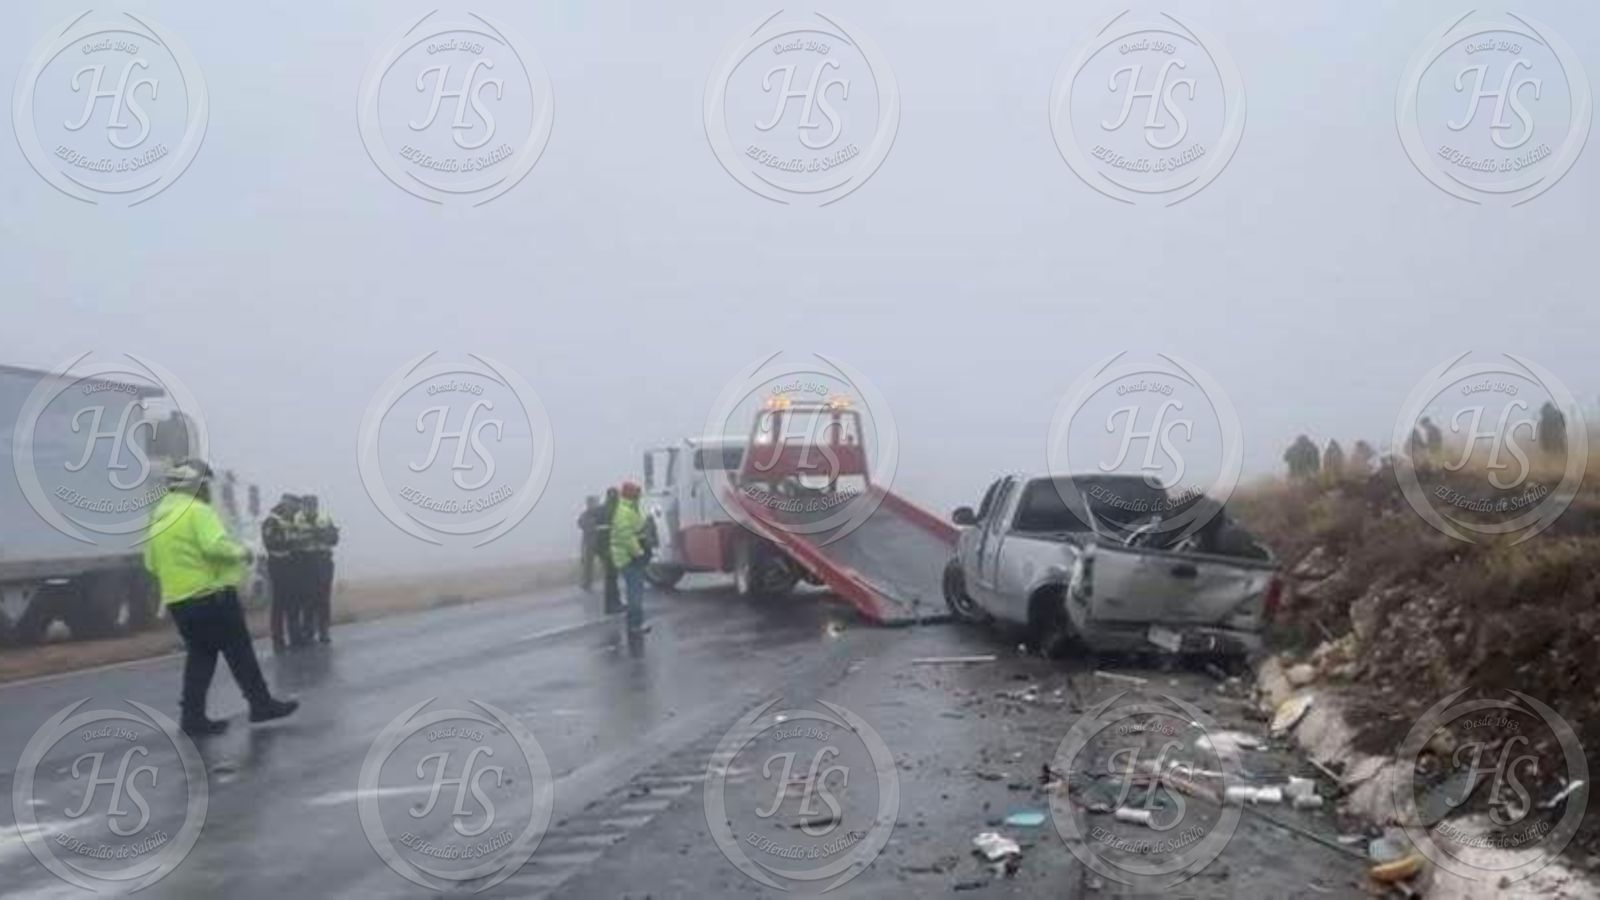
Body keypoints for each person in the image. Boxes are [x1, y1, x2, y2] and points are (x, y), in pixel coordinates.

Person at [144, 460, 298, 736]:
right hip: (211, 596)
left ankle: (192, 717)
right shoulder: (197, 511)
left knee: (201, 656)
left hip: (179, 601)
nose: (207, 490)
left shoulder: (159, 517)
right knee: (239, 651)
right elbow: (215, 546)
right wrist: (243, 552)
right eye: (204, 485)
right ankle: (260, 704)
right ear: (194, 485)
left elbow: (151, 563)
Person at [261, 494, 303, 652]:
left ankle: (295, 635)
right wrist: (291, 542)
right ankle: (278, 639)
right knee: (279, 603)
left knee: (294, 601)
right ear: (286, 505)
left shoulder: (292, 520)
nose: (295, 511)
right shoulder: (271, 521)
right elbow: (270, 542)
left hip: (292, 564)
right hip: (278, 564)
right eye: (294, 508)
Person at [610, 481, 649, 635]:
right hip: (628, 559)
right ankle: (635, 625)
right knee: (635, 593)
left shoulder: (629, 509)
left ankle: (635, 624)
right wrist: (639, 553)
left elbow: (637, 528)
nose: (639, 495)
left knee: (636, 591)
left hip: (628, 557)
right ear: (630, 494)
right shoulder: (624, 512)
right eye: (636, 493)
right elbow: (627, 537)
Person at [300, 495, 339, 644]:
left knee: (323, 598)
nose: (310, 507)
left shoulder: (325, 518)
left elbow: (334, 539)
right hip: (305, 561)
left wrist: (321, 534)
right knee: (307, 597)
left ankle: (324, 630)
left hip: (323, 561)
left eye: (312, 505)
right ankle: (308, 629)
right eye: (307, 505)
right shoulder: (298, 520)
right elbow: (293, 539)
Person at [599, 487, 621, 614]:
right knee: (611, 578)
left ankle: (615, 603)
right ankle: (612, 605)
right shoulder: (614, 510)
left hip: (607, 548)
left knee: (611, 577)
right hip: (610, 549)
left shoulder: (603, 509)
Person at [577, 496, 603, 591]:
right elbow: (580, 523)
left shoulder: (601, 512)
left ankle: (609, 581)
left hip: (600, 541)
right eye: (590, 503)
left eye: (593, 502)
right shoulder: (585, 515)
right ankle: (587, 583)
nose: (592, 505)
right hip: (589, 542)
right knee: (588, 564)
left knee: (607, 564)